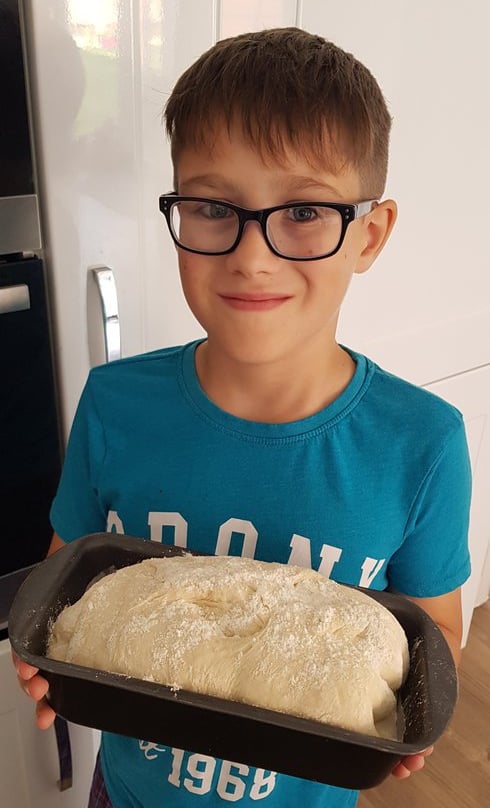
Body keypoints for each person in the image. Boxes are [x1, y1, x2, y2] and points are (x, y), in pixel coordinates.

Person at [14, 27, 471, 808]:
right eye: (213, 206)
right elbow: (63, 582)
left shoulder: (420, 444)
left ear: (370, 234)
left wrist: (409, 723)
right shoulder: (115, 404)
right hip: (126, 794)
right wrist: (48, 660)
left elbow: (434, 638)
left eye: (302, 210)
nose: (252, 256)